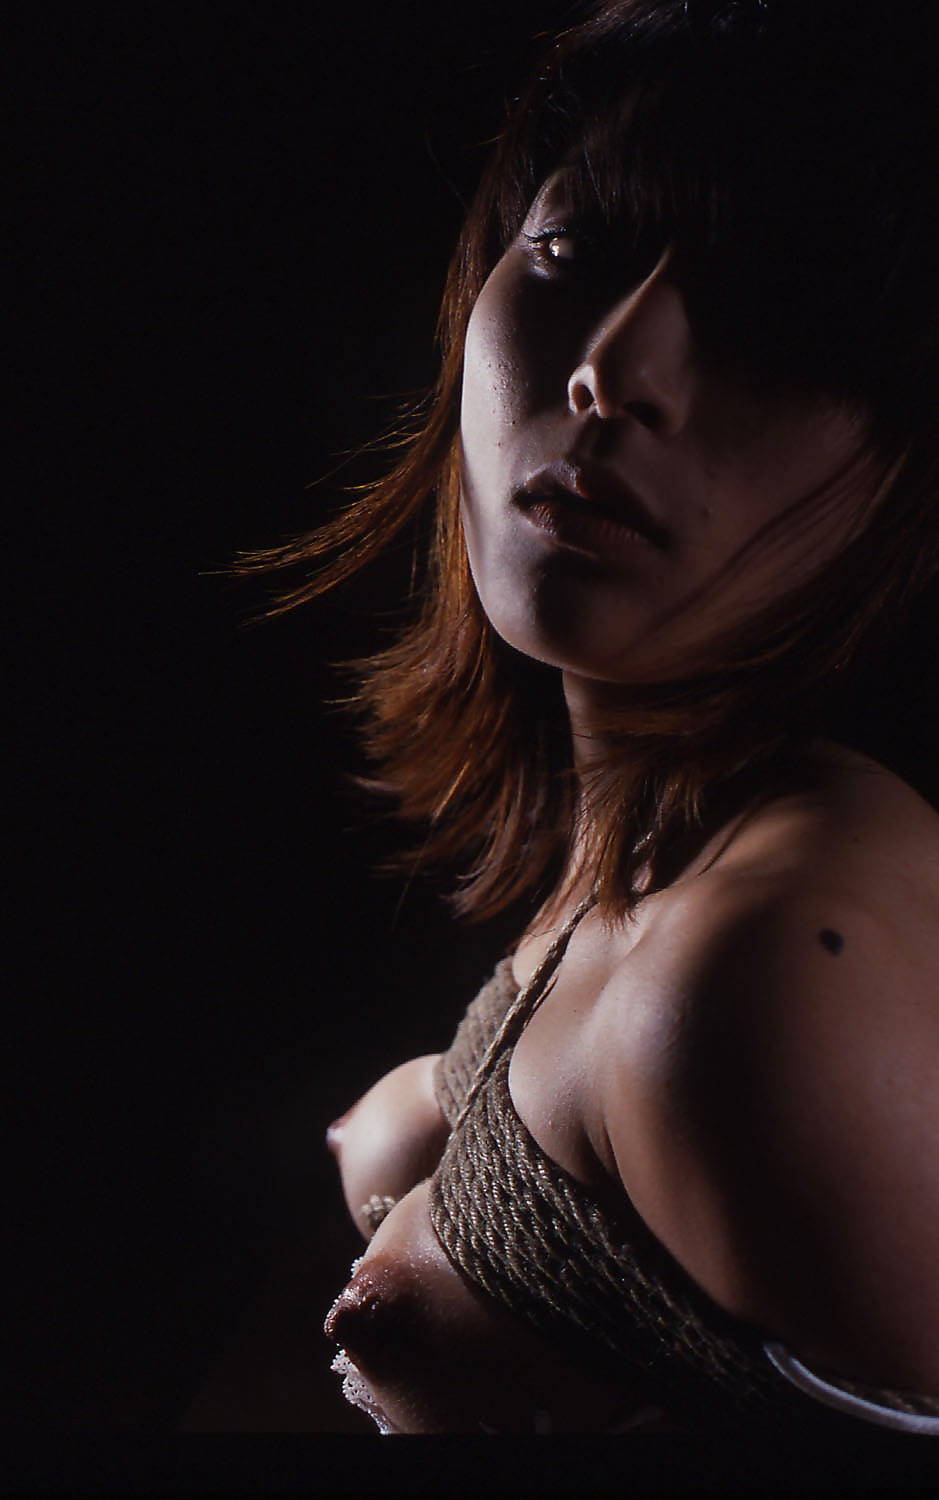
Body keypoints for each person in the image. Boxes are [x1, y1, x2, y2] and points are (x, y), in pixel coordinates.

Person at [256, 0, 939, 1435]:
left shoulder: (779, 966)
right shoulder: (671, 850)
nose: (613, 370)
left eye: (782, 317)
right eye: (574, 250)